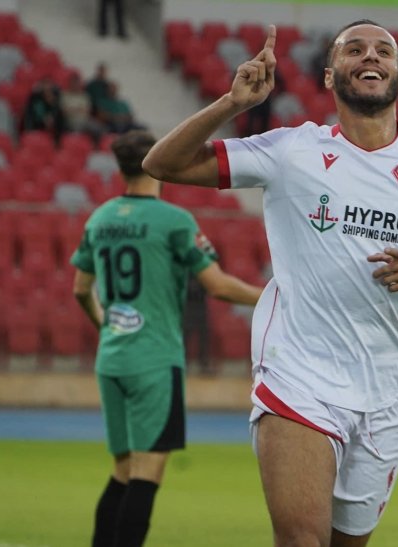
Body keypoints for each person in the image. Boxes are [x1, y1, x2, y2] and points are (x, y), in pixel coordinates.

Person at [142, 20, 398, 547]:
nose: (369, 56)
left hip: (387, 391)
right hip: (300, 374)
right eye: (354, 50)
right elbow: (162, 164)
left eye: (383, 50)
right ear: (330, 77)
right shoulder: (290, 151)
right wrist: (231, 104)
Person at [70, 130, 263, 547]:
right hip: (155, 360)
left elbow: (80, 290)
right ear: (156, 163)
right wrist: (271, 297)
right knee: (147, 472)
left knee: (122, 470)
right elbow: (218, 286)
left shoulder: (100, 219)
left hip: (112, 359)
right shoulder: (174, 222)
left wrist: (105, 324)